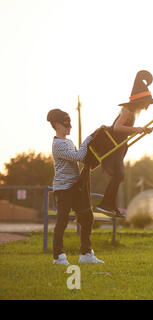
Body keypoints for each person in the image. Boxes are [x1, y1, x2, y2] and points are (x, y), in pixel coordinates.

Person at [94, 70, 153, 217]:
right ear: (140, 102)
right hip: (113, 147)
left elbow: (126, 129)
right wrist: (136, 129)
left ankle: (109, 206)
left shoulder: (133, 113)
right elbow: (117, 127)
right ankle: (106, 205)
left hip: (119, 148)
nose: (148, 106)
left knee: (119, 175)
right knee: (119, 174)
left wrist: (143, 130)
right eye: (147, 103)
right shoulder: (127, 111)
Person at [47, 108, 104, 265]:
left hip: (75, 186)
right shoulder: (58, 144)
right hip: (63, 189)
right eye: (66, 123)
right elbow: (79, 157)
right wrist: (88, 139)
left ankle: (86, 254)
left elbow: (81, 157)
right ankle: (58, 256)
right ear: (57, 125)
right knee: (62, 221)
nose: (69, 126)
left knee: (87, 217)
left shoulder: (68, 142)